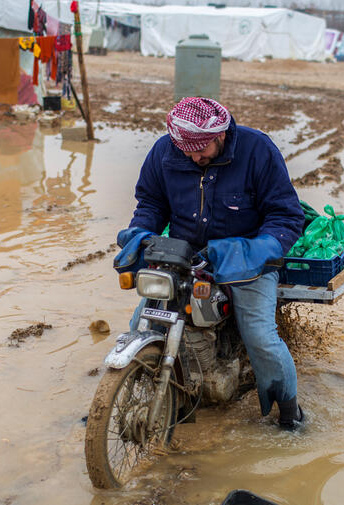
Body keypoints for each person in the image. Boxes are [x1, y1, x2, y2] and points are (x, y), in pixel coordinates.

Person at [119, 97, 306, 430]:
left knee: (260, 336)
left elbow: (285, 217)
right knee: (141, 322)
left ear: (221, 135)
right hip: (184, 254)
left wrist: (255, 250)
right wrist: (141, 233)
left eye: (201, 149)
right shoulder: (165, 151)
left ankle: (290, 412)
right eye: (186, 150)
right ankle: (123, 400)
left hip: (246, 260)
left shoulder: (257, 150)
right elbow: (150, 203)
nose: (194, 157)